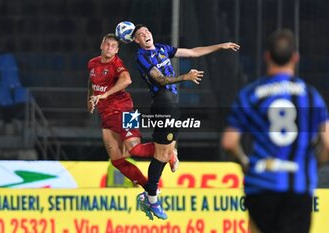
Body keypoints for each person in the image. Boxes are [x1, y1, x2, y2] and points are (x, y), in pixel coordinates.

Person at [221, 29, 329, 233]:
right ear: (296, 57)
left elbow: (229, 143)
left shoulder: (250, 94)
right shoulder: (311, 96)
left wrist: (245, 163)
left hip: (261, 185)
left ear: (267, 56)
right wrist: (312, 166)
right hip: (298, 186)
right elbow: (328, 145)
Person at [132, 24, 240, 220]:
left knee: (166, 151)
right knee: (160, 154)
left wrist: (221, 45)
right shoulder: (142, 56)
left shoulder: (163, 49)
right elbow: (161, 80)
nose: (145, 34)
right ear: (136, 41)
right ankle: (150, 198)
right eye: (140, 34)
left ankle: (169, 158)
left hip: (172, 104)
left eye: (147, 31)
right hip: (162, 104)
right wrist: (186, 77)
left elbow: (193, 52)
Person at [87, 33, 177, 190]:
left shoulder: (117, 64)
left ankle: (169, 151)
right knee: (116, 160)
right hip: (106, 115)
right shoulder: (92, 63)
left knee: (134, 149)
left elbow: (127, 80)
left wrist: (106, 94)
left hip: (125, 110)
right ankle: (147, 186)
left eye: (113, 46)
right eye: (107, 44)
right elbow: (91, 82)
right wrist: (89, 99)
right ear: (102, 45)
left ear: (117, 50)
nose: (109, 48)